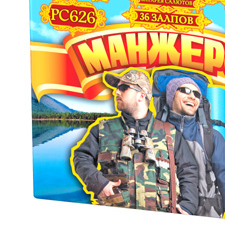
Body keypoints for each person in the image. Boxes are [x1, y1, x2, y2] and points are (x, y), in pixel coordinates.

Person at [72, 69, 199, 215]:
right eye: (117, 88)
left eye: (123, 88)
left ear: (141, 95)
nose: (116, 92)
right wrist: (99, 184)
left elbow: (189, 170)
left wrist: (188, 206)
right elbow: (81, 157)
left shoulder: (170, 133)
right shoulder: (102, 129)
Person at [161, 75, 225, 220]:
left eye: (197, 94)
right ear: (171, 95)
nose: (192, 97)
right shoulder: (155, 132)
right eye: (185, 90)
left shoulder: (211, 137)